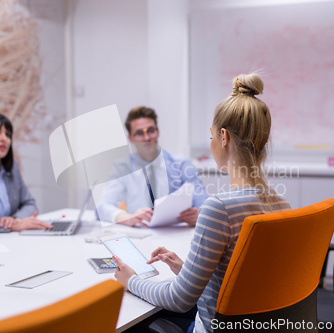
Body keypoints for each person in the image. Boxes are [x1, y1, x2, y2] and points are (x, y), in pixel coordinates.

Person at [112, 74, 291, 333]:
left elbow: (179, 299)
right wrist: (187, 271)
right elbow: (241, 283)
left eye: (211, 137)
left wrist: (132, 280)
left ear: (223, 137)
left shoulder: (219, 208)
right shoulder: (281, 204)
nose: (211, 144)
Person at [96, 106, 208, 227]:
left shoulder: (181, 164)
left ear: (157, 131)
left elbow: (204, 204)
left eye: (150, 130)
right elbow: (101, 208)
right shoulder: (122, 167)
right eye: (139, 133)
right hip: (140, 233)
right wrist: (128, 218)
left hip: (176, 233)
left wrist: (201, 215)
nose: (146, 138)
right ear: (130, 138)